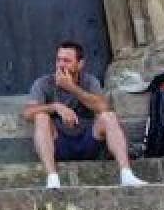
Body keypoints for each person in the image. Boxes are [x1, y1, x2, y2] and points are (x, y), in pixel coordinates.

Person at [23, 40, 147, 189]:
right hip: (58, 144)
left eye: (67, 61)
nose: (61, 65)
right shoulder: (44, 83)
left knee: (109, 117)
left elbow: (103, 107)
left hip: (88, 142)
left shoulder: (89, 81)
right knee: (41, 117)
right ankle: (52, 179)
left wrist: (72, 88)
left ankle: (127, 175)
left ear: (80, 64)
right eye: (58, 60)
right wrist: (55, 107)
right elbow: (27, 113)